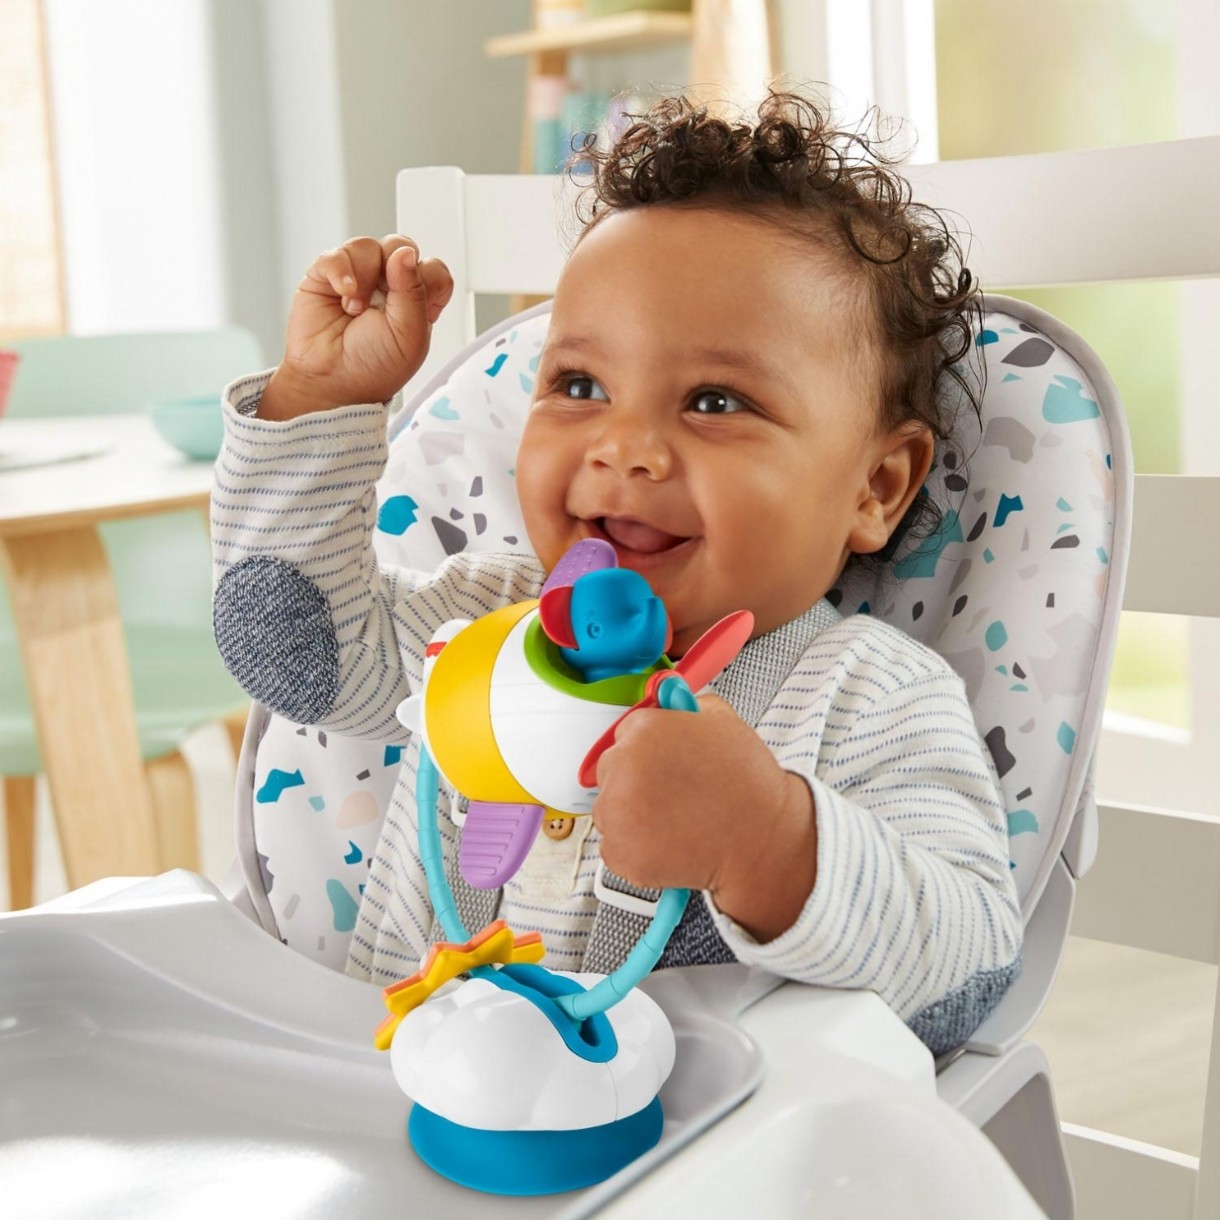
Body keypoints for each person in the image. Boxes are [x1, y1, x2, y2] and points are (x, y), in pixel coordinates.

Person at [212, 92, 1022, 1054]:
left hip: (709, 1138)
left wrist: (768, 844)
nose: (624, 447)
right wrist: (319, 400)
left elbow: (969, 974)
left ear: (876, 488)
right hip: (398, 1102)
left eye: (716, 401)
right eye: (581, 386)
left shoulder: (869, 695)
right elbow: (290, 644)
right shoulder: (484, 618)